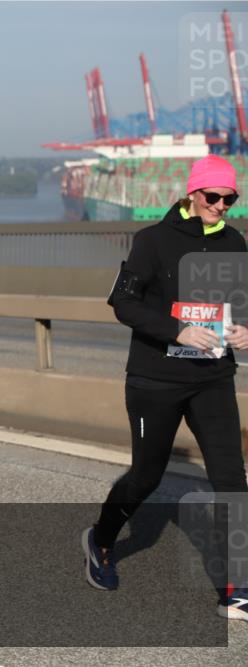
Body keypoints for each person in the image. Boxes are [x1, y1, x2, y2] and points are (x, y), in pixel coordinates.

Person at [83, 154, 248, 621]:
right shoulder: (152, 241)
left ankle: (237, 589)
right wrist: (176, 330)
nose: (221, 205)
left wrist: (245, 330)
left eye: (229, 198)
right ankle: (101, 540)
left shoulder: (235, 243)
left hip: (213, 377)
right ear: (192, 193)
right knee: (145, 478)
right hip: (155, 380)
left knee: (233, 482)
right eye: (213, 197)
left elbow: (241, 303)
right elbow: (123, 301)